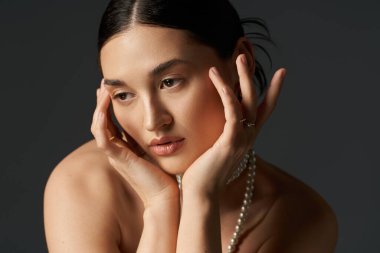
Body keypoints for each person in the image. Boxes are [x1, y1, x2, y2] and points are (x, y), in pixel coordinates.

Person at [43, 0, 338, 252]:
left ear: (241, 62)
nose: (152, 120)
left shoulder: (302, 218)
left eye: (170, 82)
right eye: (123, 95)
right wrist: (160, 205)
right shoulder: (84, 183)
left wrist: (200, 196)